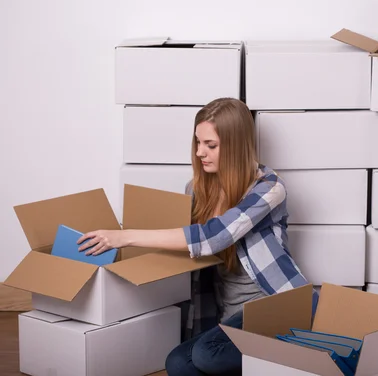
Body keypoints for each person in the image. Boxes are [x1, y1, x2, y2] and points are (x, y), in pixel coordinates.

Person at [76, 97, 318, 375]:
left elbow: (211, 238)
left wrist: (125, 237)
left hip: (278, 307)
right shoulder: (196, 189)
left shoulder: (269, 188)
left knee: (206, 356)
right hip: (231, 316)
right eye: (198, 143)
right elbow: (176, 239)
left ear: (236, 146)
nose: (200, 152)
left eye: (211, 145)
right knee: (177, 363)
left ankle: (298, 352)